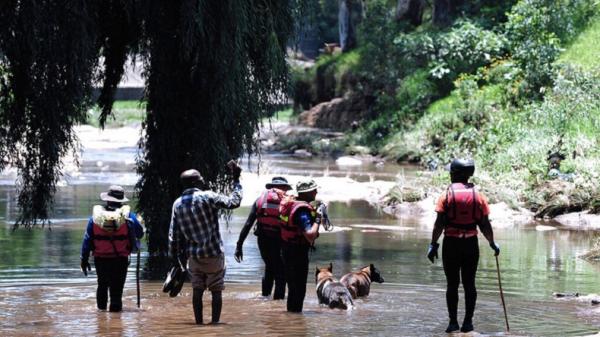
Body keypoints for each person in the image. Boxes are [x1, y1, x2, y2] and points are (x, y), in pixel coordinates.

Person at [427, 159, 500, 333]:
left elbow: (439, 224)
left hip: (451, 245)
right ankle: (468, 323)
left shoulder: (446, 195)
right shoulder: (479, 196)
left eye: (451, 172)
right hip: (470, 245)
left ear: (456, 174)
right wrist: (492, 243)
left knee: (452, 284)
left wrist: (433, 244)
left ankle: (453, 323)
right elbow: (485, 224)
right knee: (470, 284)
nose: (450, 174)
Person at [169, 166, 242, 325]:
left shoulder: (177, 204)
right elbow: (234, 202)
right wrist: (236, 180)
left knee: (197, 289)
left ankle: (199, 325)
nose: (204, 179)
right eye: (201, 177)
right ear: (195, 181)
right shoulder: (208, 196)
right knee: (216, 290)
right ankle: (215, 325)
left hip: (194, 256)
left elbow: (174, 236)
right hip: (214, 253)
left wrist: (176, 261)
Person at [80, 185, 144, 312]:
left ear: (107, 200)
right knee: (117, 291)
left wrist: (84, 259)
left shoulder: (96, 218)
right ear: (121, 201)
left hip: (100, 259)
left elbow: (87, 239)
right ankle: (116, 323)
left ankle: (101, 318)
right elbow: (140, 233)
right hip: (120, 259)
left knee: (102, 286)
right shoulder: (128, 216)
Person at [234, 177, 292, 300]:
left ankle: (265, 298)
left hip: (263, 241)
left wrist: (239, 245)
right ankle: (277, 306)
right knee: (281, 274)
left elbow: (248, 224)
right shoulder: (288, 202)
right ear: (285, 188)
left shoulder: (260, 200)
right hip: (279, 241)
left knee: (269, 268)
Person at [279, 179, 321, 313]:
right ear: (307, 193)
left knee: (292, 288)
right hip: (297, 253)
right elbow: (310, 235)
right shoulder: (302, 210)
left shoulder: (292, 204)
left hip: (287, 249)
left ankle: (291, 319)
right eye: (314, 190)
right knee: (299, 289)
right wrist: (319, 218)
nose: (316, 192)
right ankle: (296, 320)